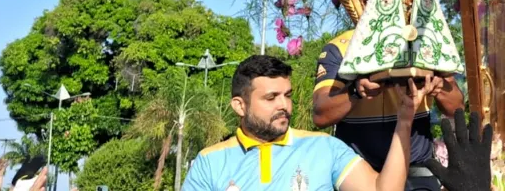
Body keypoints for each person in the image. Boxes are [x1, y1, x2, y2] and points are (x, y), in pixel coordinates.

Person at [183, 54, 428, 191]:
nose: (284, 105)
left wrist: (404, 120)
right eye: (271, 97)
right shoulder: (210, 162)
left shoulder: (323, 147)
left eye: (287, 95)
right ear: (240, 105)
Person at [313, 0, 465, 191]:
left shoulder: (428, 44)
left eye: (404, 6)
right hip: (359, 176)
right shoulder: (340, 48)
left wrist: (438, 86)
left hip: (418, 171)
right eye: (386, 3)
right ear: (365, 3)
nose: (396, 14)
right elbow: (320, 113)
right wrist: (356, 91)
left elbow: (457, 106)